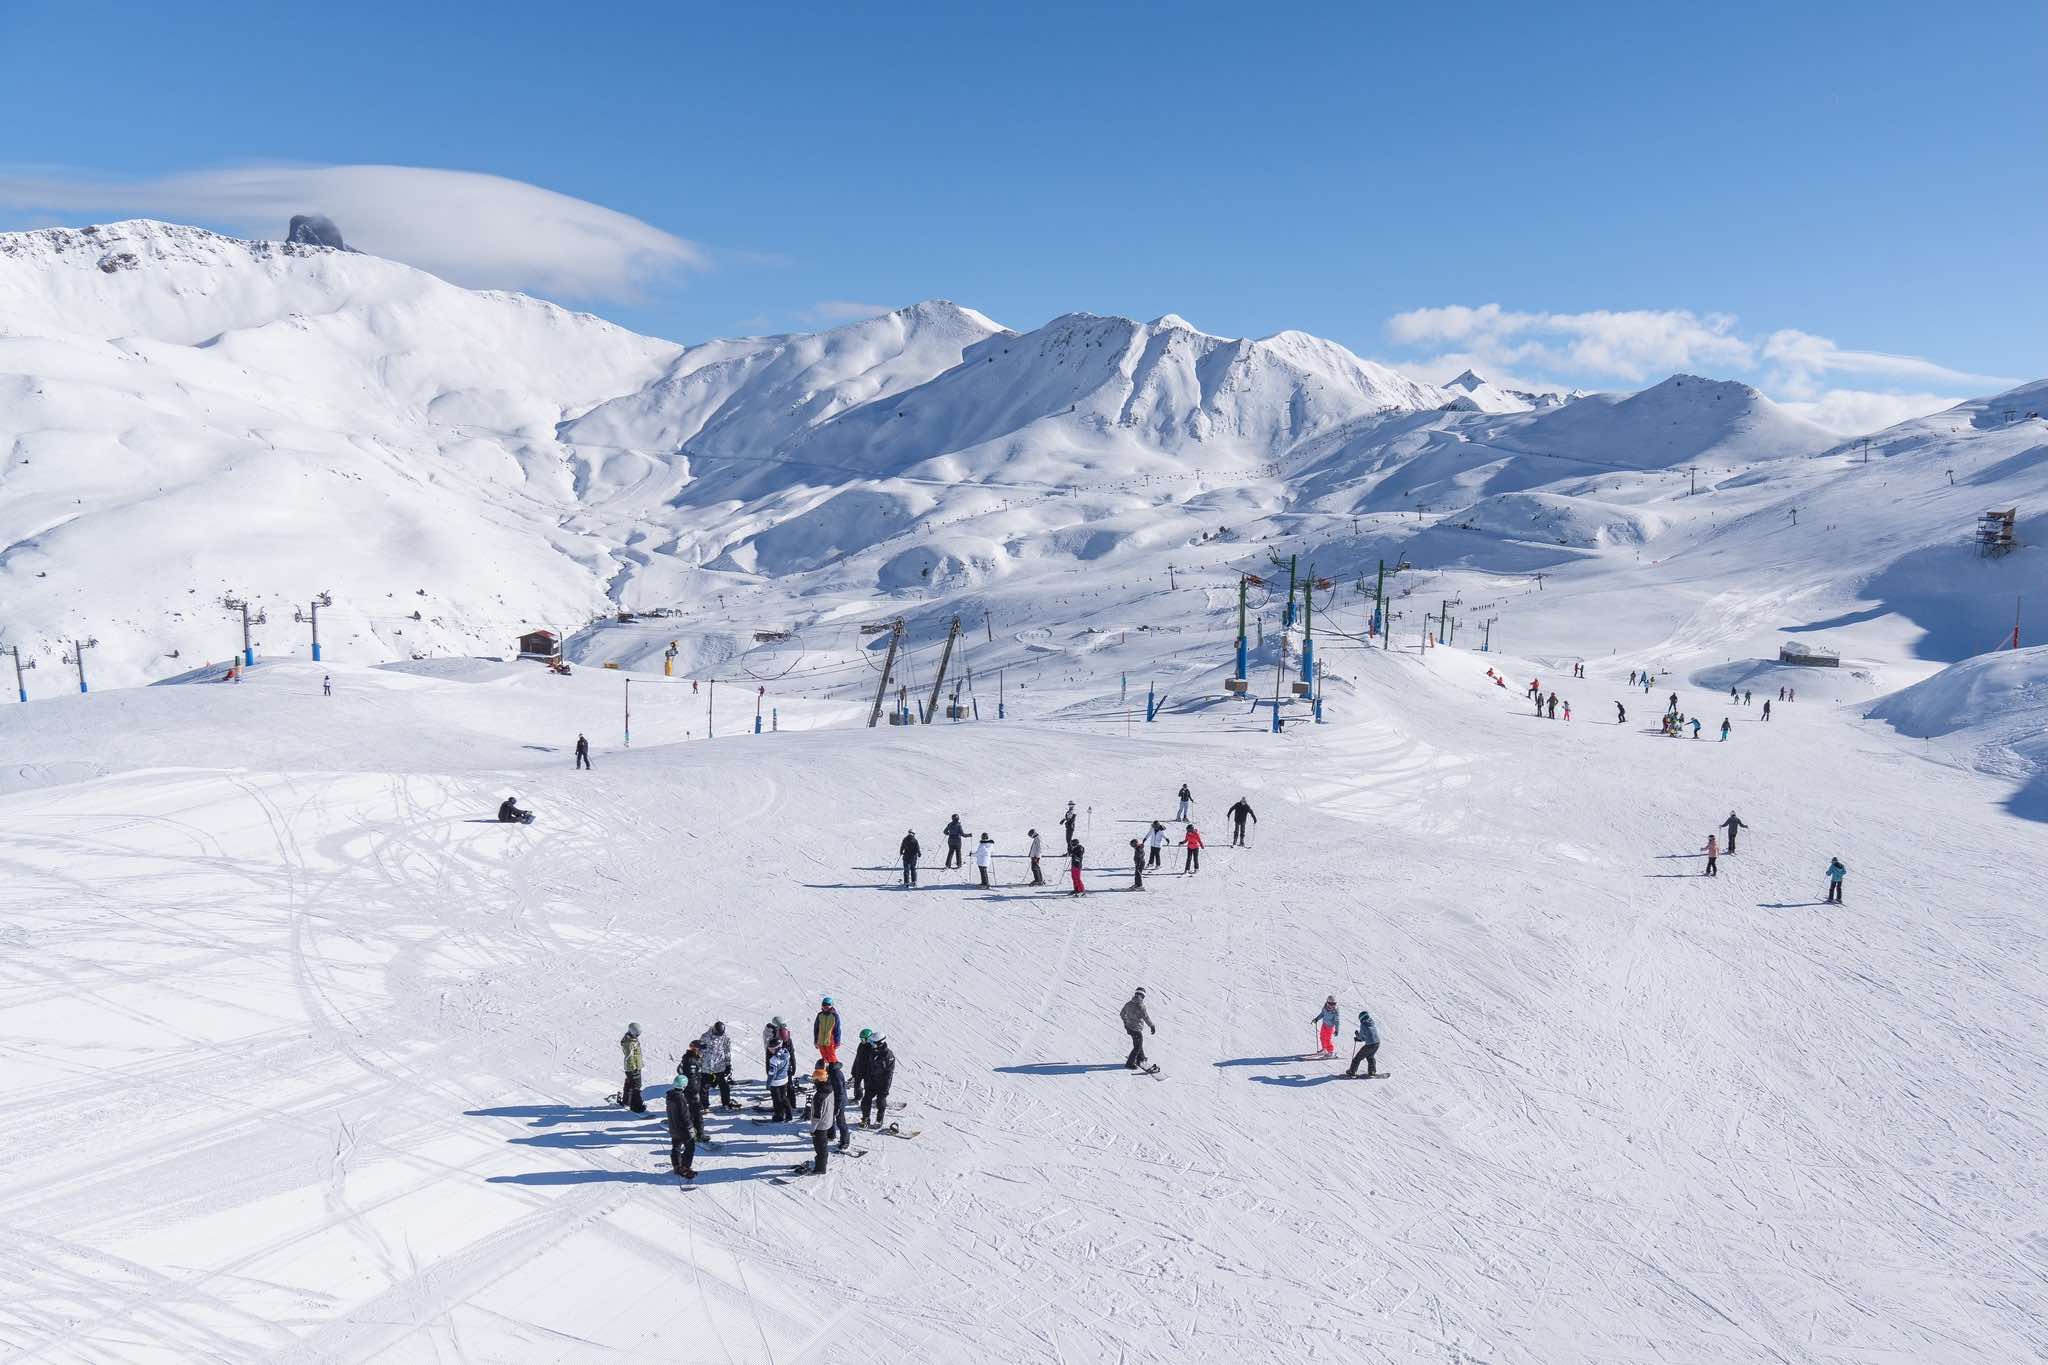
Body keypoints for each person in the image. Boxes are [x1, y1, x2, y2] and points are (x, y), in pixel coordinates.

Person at [664, 1066, 700, 1178]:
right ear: (684, 1086)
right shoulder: (680, 1099)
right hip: (682, 1129)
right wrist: (691, 1129)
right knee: (690, 1146)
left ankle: (677, 1166)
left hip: (673, 1128)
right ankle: (685, 1167)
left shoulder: (670, 1096)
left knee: (676, 1147)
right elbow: (685, 1116)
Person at [859, 1033, 896, 1127]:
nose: (871, 1045)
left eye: (873, 1043)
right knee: (865, 1101)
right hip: (871, 1082)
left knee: (880, 1101)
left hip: (882, 1083)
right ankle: (865, 1119)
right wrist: (866, 1080)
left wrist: (885, 1089)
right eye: (871, 1042)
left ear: (880, 1043)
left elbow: (889, 1074)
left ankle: (879, 1119)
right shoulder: (872, 1051)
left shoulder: (888, 1056)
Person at [805, 1065, 837, 1174]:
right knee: (823, 1146)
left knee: (820, 1148)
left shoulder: (819, 1096)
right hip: (829, 1121)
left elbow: (816, 1116)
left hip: (821, 1126)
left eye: (814, 1080)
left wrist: (812, 1129)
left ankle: (820, 1169)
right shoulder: (830, 1088)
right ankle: (821, 1163)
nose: (813, 1082)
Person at [702, 1021, 736, 1110]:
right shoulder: (705, 1036)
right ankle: (704, 1105)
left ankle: (726, 1102)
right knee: (704, 1086)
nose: (719, 1036)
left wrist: (728, 1064)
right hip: (707, 1066)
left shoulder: (725, 1037)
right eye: (718, 1033)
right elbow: (701, 1051)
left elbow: (727, 1051)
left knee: (724, 1085)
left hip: (719, 1065)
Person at [1120, 988, 1155, 1069]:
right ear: (1143, 996)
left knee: (1138, 1043)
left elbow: (1122, 1014)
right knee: (1137, 1047)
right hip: (1136, 1029)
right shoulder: (1140, 1006)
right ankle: (1129, 1063)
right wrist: (1152, 1026)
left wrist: (1126, 1023)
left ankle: (1141, 1058)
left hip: (1129, 1028)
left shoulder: (1128, 1003)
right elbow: (1146, 1018)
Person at [766, 1034, 796, 1122]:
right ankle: (789, 1114)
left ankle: (779, 1116)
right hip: (785, 1079)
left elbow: (772, 1073)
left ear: (776, 1048)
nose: (770, 1051)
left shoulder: (774, 1060)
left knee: (776, 1100)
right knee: (783, 1097)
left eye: (771, 1049)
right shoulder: (786, 1053)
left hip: (776, 1082)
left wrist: (768, 1083)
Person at [1345, 1009, 1381, 1078]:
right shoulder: (1372, 1022)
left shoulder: (1363, 1025)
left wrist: (1357, 1036)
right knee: (1370, 1056)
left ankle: (1352, 1072)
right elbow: (1367, 1036)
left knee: (1357, 1058)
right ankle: (1372, 1072)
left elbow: (1361, 1038)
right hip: (1377, 1043)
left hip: (1370, 1045)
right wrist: (1359, 1037)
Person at [619, 1022, 646, 1112]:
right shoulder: (629, 1042)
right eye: (637, 1034)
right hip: (632, 1067)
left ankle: (626, 1101)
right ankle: (636, 1106)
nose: (638, 1035)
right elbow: (629, 1057)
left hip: (632, 1067)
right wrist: (634, 1068)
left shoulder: (631, 1039)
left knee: (630, 1083)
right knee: (636, 1086)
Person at [814, 997, 842, 1064]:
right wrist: (816, 1040)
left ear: (832, 1005)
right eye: (824, 1005)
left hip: (830, 1041)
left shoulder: (835, 1016)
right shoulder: (820, 1015)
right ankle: (826, 1071)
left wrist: (837, 1042)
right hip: (820, 1040)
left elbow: (837, 1029)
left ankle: (834, 1070)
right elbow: (816, 1028)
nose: (826, 1007)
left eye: (828, 1005)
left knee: (831, 1056)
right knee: (824, 1057)